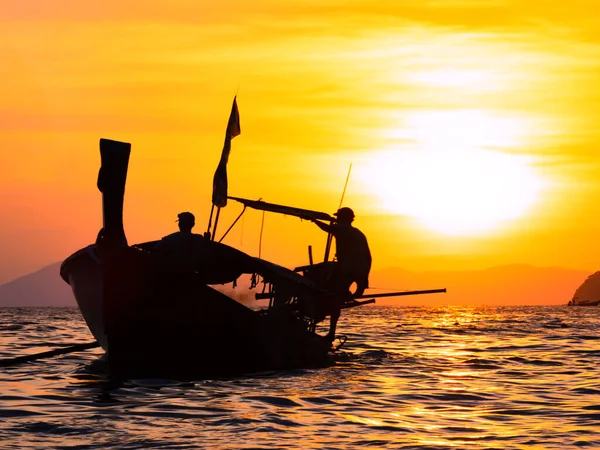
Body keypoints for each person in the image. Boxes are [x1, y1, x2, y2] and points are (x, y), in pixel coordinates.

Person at [311, 207, 372, 341]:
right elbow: (368, 258)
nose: (337, 220)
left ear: (343, 218)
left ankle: (331, 332)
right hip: (359, 270)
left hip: (347, 270)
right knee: (337, 299)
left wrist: (314, 220)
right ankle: (331, 330)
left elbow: (328, 229)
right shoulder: (358, 233)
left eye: (338, 217)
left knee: (334, 298)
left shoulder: (342, 229)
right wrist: (363, 281)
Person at [153, 212, 205, 279]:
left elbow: (154, 251)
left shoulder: (169, 239)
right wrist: (207, 240)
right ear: (193, 224)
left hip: (171, 278)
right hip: (189, 278)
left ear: (179, 224)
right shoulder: (199, 239)